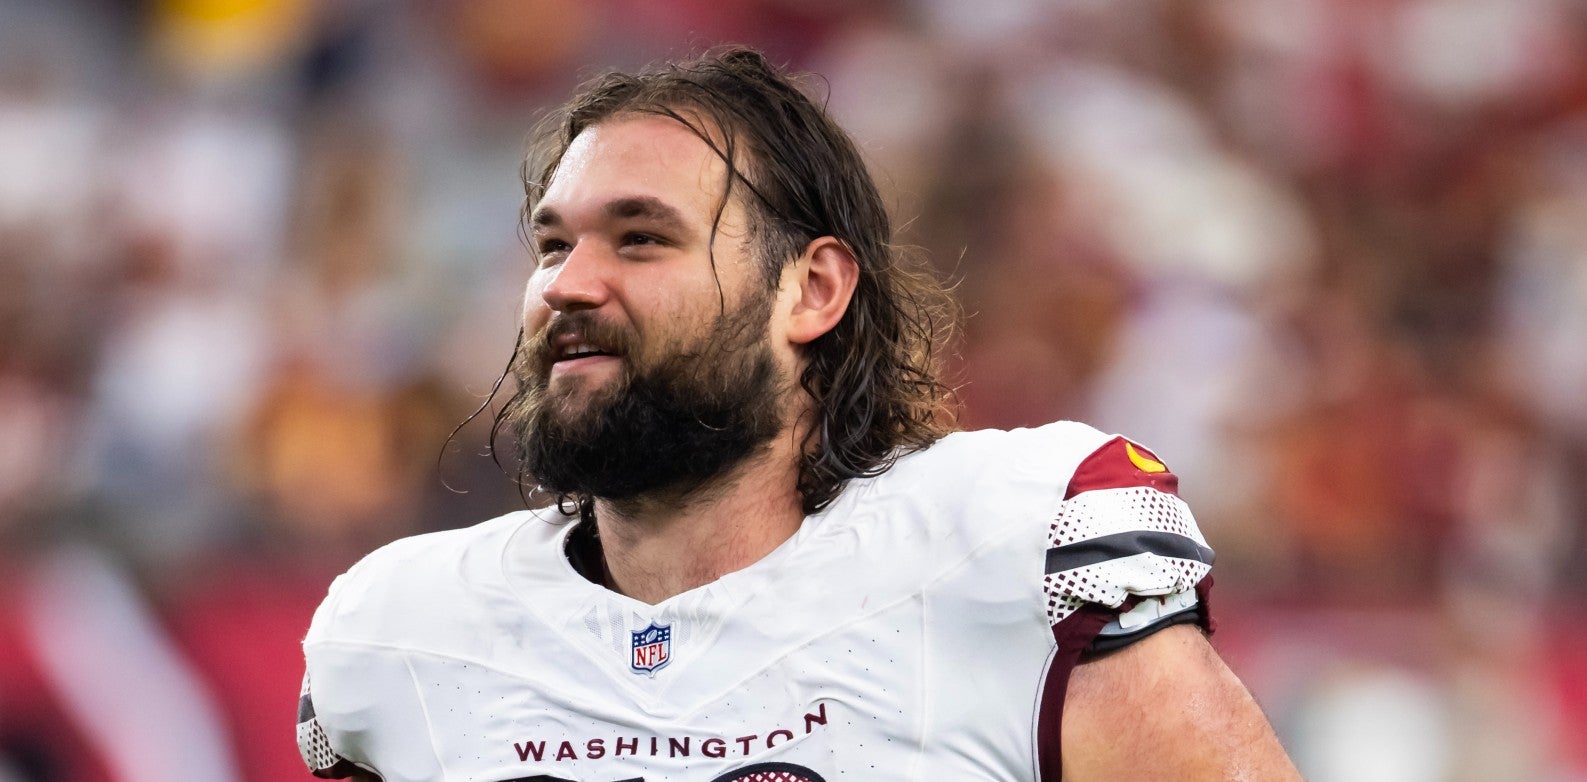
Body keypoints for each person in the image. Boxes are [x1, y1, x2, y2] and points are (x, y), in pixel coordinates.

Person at [295, 47, 1302, 782]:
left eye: (642, 239)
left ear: (811, 290)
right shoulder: (403, 635)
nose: (569, 284)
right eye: (554, 246)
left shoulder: (1003, 549)